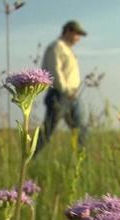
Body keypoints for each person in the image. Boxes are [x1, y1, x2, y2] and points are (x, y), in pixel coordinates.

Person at [36, 20, 87, 156]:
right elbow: (54, 71)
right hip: (59, 95)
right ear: (69, 31)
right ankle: (30, 159)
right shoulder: (56, 47)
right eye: (77, 34)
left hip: (72, 96)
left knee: (81, 129)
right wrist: (64, 90)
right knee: (47, 131)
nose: (79, 38)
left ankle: (79, 160)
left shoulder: (68, 50)